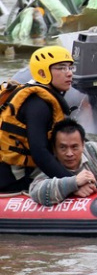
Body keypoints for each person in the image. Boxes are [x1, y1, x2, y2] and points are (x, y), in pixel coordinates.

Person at [0, 46, 75, 192]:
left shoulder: (45, 98)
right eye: (61, 68)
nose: (69, 74)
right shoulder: (38, 105)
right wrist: (72, 183)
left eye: (70, 68)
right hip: (12, 179)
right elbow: (39, 152)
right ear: (42, 72)